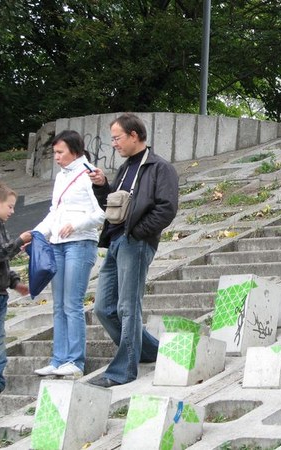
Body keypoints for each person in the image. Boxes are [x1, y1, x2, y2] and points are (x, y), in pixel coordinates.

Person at [88, 113, 178, 387]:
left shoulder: (160, 168)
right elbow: (114, 207)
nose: (113, 143)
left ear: (134, 135)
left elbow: (166, 209)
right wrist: (102, 186)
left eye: (117, 138)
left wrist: (138, 233)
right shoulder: (125, 168)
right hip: (115, 241)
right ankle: (152, 352)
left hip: (136, 243)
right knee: (103, 308)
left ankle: (123, 372)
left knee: (128, 307)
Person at [32, 130, 105, 378]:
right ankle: (58, 359)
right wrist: (36, 233)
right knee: (59, 305)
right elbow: (55, 211)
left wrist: (76, 225)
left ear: (74, 151)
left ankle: (75, 360)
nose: (56, 157)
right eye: (54, 152)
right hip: (57, 244)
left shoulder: (89, 174)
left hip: (80, 243)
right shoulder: (61, 176)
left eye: (60, 152)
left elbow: (101, 212)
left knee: (72, 304)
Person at [0, 182, 32, 392]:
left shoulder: (1, 226)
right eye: (9, 206)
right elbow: (1, 253)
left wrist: (15, 283)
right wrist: (19, 241)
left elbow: (3, 263)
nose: (13, 211)